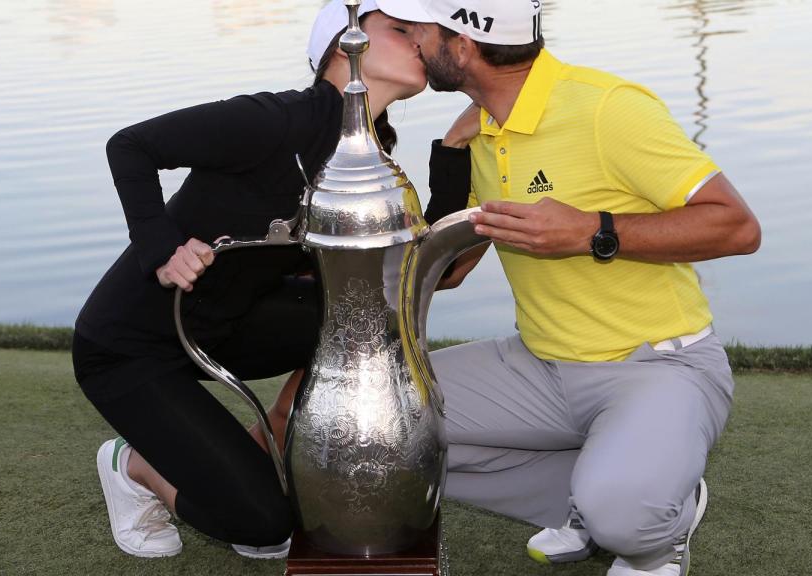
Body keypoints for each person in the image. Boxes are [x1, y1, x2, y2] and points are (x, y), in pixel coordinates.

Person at [71, 0, 460, 560]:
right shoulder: (273, 120)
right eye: (399, 29)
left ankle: (273, 439)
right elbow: (130, 145)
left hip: (232, 324)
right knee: (266, 528)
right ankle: (132, 465)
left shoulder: (367, 157)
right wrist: (161, 250)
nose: (420, 40)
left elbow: (419, 271)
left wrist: (454, 152)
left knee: (372, 312)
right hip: (132, 348)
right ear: (342, 50)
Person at [414, 1, 761, 575]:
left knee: (624, 515)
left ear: (463, 45)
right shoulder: (481, 130)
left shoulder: (607, 108)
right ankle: (599, 491)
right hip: (539, 365)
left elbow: (737, 226)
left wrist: (594, 231)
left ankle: (652, 533)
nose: (414, 43)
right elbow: (449, 272)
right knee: (382, 427)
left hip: (658, 365)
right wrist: (449, 154)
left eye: (420, 31)